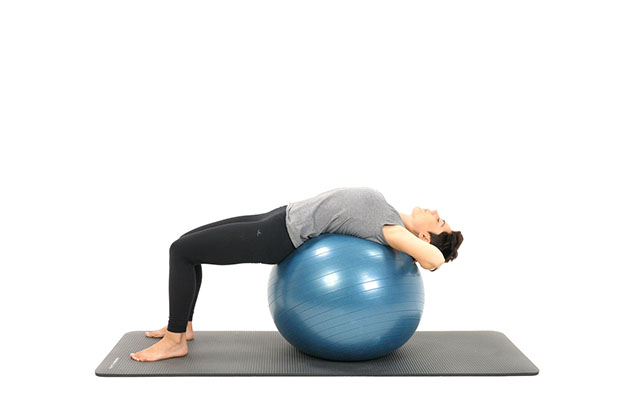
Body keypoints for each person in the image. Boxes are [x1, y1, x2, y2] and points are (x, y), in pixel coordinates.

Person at [130, 186, 464, 362]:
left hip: (276, 236)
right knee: (187, 243)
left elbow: (433, 258)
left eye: (439, 221)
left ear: (424, 237)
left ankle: (174, 341)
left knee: (182, 251)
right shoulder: (390, 214)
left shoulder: (393, 231)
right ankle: (183, 326)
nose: (435, 211)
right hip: (277, 218)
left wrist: (431, 255)